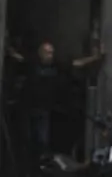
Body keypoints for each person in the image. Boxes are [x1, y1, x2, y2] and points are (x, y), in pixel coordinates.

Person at [6, 40, 103, 169]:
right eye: (47, 52)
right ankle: (25, 168)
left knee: (42, 142)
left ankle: (38, 169)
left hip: (44, 110)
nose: (50, 55)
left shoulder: (57, 65)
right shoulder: (32, 63)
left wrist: (94, 58)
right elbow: (18, 58)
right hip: (28, 108)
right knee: (26, 140)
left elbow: (76, 64)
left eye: (52, 52)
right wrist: (8, 48)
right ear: (40, 53)